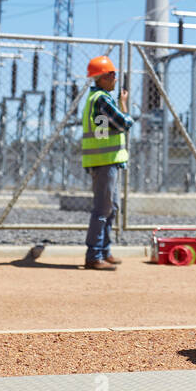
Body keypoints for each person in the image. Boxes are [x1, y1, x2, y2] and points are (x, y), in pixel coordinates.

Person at [80, 55, 133, 270]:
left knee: (112, 208)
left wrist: (121, 106)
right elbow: (124, 123)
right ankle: (94, 255)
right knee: (103, 209)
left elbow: (103, 132)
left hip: (107, 161)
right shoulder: (101, 99)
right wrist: (126, 114)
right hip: (104, 163)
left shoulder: (98, 100)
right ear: (102, 77)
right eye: (112, 75)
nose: (115, 79)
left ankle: (105, 251)